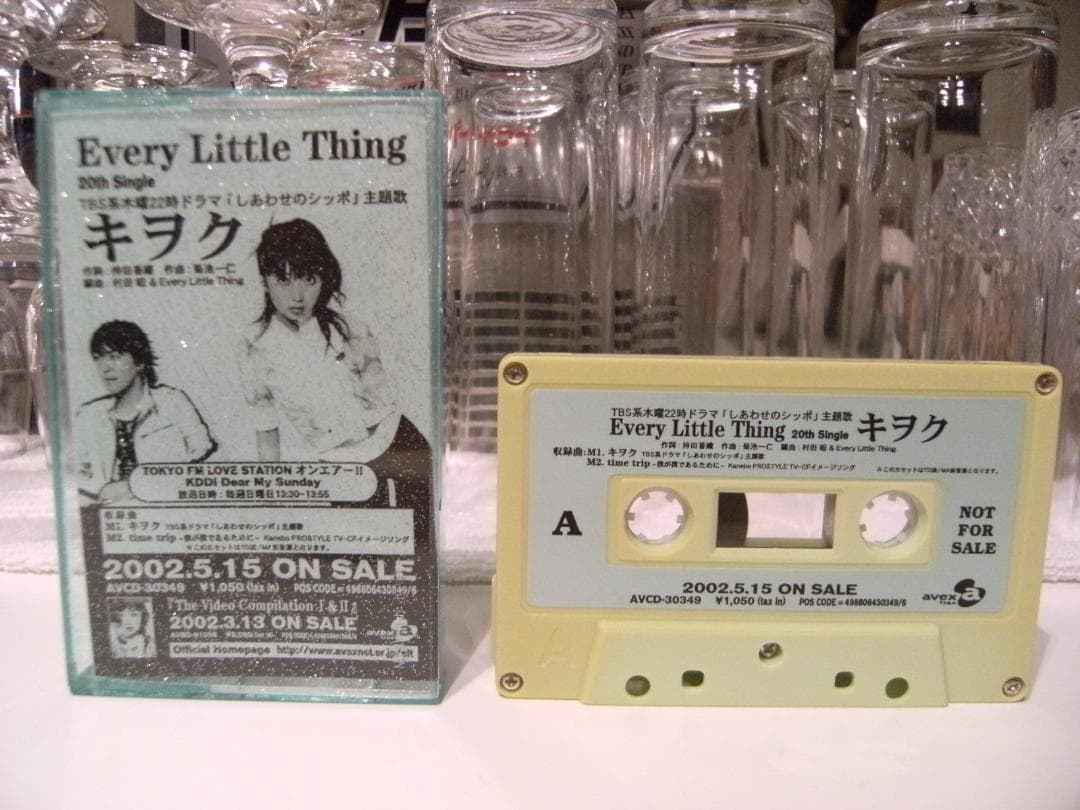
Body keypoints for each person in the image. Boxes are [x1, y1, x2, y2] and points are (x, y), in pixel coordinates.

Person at [238, 218, 431, 509]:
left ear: (322, 278)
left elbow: (382, 403)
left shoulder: (349, 328)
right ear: (265, 281)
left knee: (422, 532)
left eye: (309, 280)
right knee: (355, 538)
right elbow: (265, 426)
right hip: (338, 467)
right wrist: (270, 495)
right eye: (284, 281)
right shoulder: (254, 346)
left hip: (397, 446)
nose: (297, 296)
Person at [75, 320, 217, 505]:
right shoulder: (88, 414)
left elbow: (204, 460)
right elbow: (76, 476)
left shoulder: (172, 402)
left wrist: (137, 486)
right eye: (98, 358)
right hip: (108, 512)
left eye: (114, 356)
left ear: (140, 362)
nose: (105, 367)